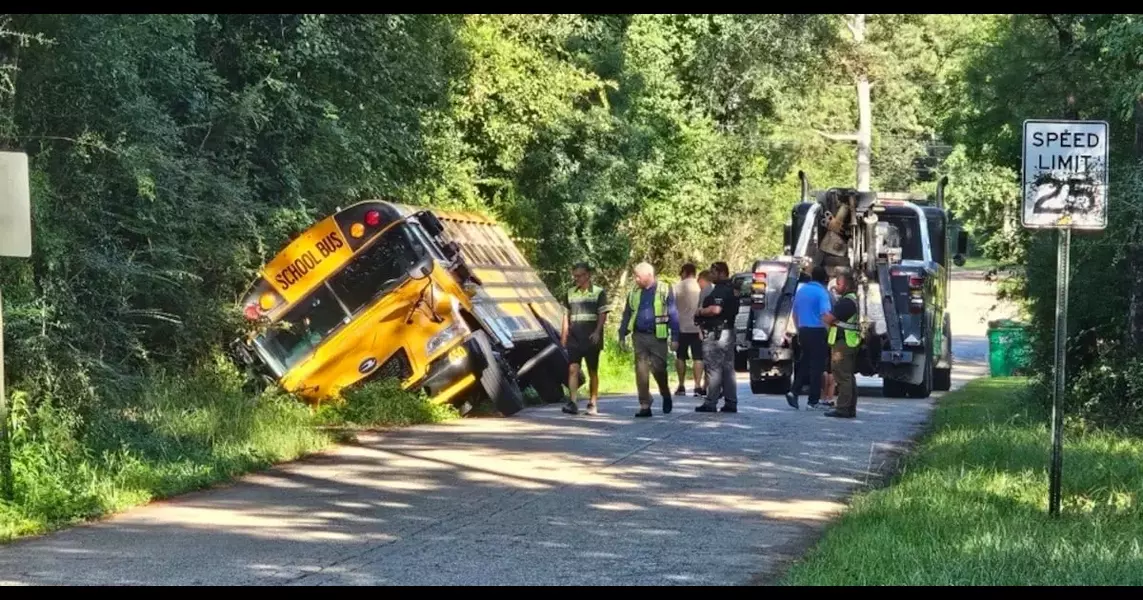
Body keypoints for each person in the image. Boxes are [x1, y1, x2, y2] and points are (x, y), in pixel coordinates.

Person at [618, 262, 680, 417]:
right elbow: (627, 313)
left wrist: (675, 337)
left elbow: (673, 314)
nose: (636, 279)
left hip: (657, 336)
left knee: (659, 368)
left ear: (648, 276)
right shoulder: (633, 292)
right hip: (639, 336)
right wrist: (621, 335)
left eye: (638, 276)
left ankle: (665, 393)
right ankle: (645, 404)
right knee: (641, 371)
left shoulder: (665, 289)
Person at [561, 262, 609, 416]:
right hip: (574, 338)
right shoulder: (569, 293)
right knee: (573, 369)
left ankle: (592, 402)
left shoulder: (598, 292)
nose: (577, 279)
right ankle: (573, 402)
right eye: (575, 276)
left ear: (588, 274)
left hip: (591, 338)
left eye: (580, 275)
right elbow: (565, 316)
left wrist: (597, 332)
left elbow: (602, 314)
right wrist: (564, 335)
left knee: (592, 370)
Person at [694, 262, 739, 413]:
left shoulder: (720, 289)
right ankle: (731, 402)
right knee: (728, 369)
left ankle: (710, 402)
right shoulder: (733, 289)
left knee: (713, 368)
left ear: (721, 273)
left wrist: (701, 312)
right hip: (729, 331)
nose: (711, 276)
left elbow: (716, 309)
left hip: (717, 333)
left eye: (713, 273)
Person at [787, 265, 832, 410]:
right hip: (817, 331)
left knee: (805, 362)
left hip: (804, 330)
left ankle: (793, 392)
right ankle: (813, 401)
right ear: (825, 279)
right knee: (817, 367)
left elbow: (794, 313)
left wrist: (799, 329)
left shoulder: (801, 291)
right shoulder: (821, 293)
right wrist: (831, 331)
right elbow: (825, 315)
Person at [823, 272, 860, 418]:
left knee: (842, 376)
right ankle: (850, 408)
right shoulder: (853, 299)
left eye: (838, 284)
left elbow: (829, 318)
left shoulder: (846, 302)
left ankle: (843, 408)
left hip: (843, 344)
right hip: (849, 342)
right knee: (848, 376)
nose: (836, 287)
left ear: (845, 285)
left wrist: (826, 316)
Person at [673, 263, 704, 397]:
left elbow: (671, 307)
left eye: (681, 272)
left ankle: (681, 385)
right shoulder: (700, 286)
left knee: (680, 356)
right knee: (698, 357)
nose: (680, 275)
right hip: (698, 328)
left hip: (681, 326)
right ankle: (697, 386)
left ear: (685, 272)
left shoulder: (676, 287)